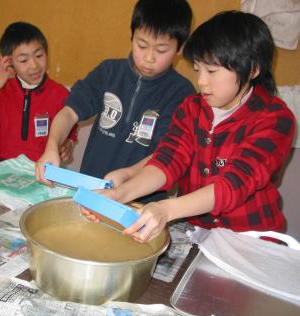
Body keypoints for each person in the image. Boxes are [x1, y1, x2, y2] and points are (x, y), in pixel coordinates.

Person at [85, 11, 296, 243]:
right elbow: (167, 161)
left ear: (253, 69)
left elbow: (232, 185)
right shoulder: (192, 108)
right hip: (198, 232)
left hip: (251, 237)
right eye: (198, 70)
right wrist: (118, 194)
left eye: (212, 71)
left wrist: (165, 209)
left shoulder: (275, 119)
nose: (202, 82)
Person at [36, 0, 195, 203]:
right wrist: (51, 146)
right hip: (90, 193)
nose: (149, 57)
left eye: (161, 50)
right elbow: (69, 113)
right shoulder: (109, 72)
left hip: (141, 203)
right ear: (132, 37)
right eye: (142, 45)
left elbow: (166, 154)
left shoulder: (182, 94)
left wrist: (128, 177)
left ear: (180, 48)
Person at [0, 21, 77, 162]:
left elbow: (71, 128)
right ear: (9, 62)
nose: (34, 66)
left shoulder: (60, 94)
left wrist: (68, 143)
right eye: (23, 60)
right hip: (2, 169)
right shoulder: (2, 91)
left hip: (41, 172)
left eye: (39, 56)